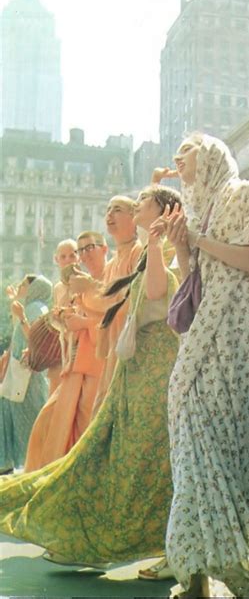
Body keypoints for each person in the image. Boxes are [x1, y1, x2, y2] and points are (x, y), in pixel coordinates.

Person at [0, 185, 181, 568]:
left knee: (112, 454)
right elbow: (111, 306)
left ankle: (101, 536)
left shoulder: (152, 250)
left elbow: (134, 300)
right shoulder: (125, 257)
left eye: (123, 208)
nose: (111, 214)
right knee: (90, 448)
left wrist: (87, 298)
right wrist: (73, 313)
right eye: (109, 210)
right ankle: (82, 530)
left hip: (141, 368)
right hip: (115, 367)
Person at [159, 133, 249, 598]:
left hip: (248, 334)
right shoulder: (193, 210)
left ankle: (246, 574)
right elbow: (193, 280)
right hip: (204, 336)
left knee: (247, 451)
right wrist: (184, 246)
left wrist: (199, 240)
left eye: (188, 148)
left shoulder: (245, 194)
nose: (178, 158)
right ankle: (196, 574)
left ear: (213, 154)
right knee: (191, 439)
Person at [24, 232, 108, 471]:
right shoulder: (64, 287)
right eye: (68, 255)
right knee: (51, 421)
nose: (74, 258)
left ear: (103, 250)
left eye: (79, 252)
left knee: (79, 422)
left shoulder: (100, 281)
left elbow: (113, 317)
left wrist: (83, 322)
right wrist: (62, 317)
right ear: (56, 260)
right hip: (67, 359)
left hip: (93, 361)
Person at [69, 196, 143, 416]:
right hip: (112, 349)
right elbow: (102, 306)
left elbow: (126, 300)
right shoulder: (113, 262)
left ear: (134, 217)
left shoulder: (138, 252)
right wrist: (83, 292)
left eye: (117, 210)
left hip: (131, 349)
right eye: (108, 210)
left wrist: (90, 287)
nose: (109, 215)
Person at [0, 275, 52, 474]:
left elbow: (37, 340)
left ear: (34, 289)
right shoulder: (31, 307)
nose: (20, 287)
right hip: (18, 375)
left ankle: (34, 466)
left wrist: (21, 316)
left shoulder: (37, 309)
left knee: (28, 422)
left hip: (28, 378)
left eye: (23, 284)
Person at [47, 239, 79, 395]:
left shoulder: (85, 282)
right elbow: (54, 320)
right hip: (61, 347)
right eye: (63, 256)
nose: (68, 260)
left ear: (78, 257)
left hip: (80, 346)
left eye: (72, 255)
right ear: (56, 260)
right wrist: (58, 315)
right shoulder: (57, 288)